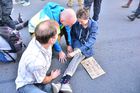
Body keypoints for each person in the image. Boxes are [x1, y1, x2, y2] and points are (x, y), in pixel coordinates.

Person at [52, 8, 98, 93]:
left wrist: (76, 51)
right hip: (77, 43)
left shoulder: (94, 25)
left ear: (87, 18)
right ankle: (65, 83)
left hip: (86, 46)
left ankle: (61, 82)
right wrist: (71, 46)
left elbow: (91, 41)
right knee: (77, 57)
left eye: (81, 22)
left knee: (77, 55)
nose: (79, 23)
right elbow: (73, 35)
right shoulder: (77, 23)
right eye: (78, 21)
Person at [15, 20, 61, 93]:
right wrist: (51, 77)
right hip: (25, 84)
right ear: (52, 40)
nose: (58, 34)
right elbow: (43, 80)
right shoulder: (37, 61)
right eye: (57, 34)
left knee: (49, 88)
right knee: (47, 86)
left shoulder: (40, 37)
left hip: (34, 76)